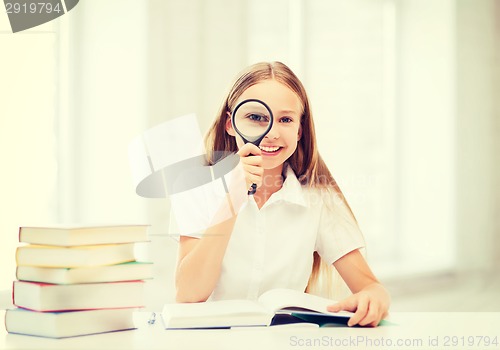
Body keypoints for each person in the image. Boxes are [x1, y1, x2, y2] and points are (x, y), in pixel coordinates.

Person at [174, 61, 390, 327]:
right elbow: (188, 293)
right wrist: (233, 197)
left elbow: (371, 287)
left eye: (286, 119)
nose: (272, 133)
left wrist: (374, 298)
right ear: (230, 124)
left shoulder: (318, 199)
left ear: (299, 131)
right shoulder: (197, 188)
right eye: (255, 118)